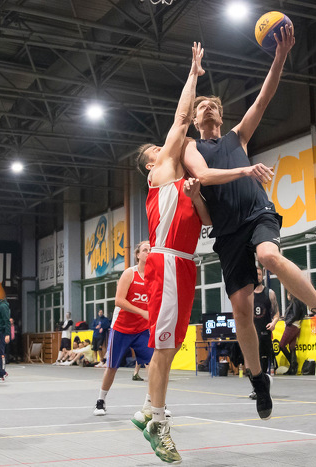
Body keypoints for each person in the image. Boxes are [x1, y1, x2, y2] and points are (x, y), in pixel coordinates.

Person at [182, 24, 316, 418]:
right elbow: (205, 181)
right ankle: (259, 380)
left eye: (213, 106)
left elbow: (263, 98)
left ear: (222, 115)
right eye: (201, 107)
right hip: (227, 231)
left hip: (257, 213)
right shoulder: (191, 147)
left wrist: (280, 55)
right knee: (241, 310)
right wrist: (242, 173)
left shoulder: (237, 137)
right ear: (194, 119)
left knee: (269, 256)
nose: (207, 108)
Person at [133, 42, 210, 464]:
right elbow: (181, 119)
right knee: (163, 348)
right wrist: (194, 74)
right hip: (165, 262)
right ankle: (158, 422)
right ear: (151, 165)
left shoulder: (187, 183)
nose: (164, 149)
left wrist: (199, 196)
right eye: (155, 150)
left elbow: (207, 221)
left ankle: (148, 407)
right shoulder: (162, 172)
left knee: (172, 344)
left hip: (184, 265)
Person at [94, 241, 154, 416]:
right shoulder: (130, 273)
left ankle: (155, 402)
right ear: (138, 255)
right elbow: (119, 301)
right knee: (112, 367)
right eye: (145, 250)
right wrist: (142, 312)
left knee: (154, 365)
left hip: (142, 329)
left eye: (151, 250)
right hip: (121, 328)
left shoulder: (154, 276)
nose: (148, 252)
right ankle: (101, 401)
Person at [253, 267, 280, 379]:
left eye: (259, 274)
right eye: (255, 274)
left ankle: (262, 384)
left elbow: (277, 314)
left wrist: (273, 323)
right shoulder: (248, 295)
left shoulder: (270, 293)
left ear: (263, 276)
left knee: (264, 363)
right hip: (252, 334)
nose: (257, 276)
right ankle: (255, 384)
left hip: (265, 333)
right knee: (253, 363)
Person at [280, 291, 306, 375]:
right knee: (291, 347)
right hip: (296, 326)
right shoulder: (299, 301)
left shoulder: (294, 301)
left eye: (287, 294)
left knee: (281, 345)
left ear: (290, 294)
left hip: (292, 326)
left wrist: (287, 321)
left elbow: (294, 315)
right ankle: (292, 368)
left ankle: (293, 364)